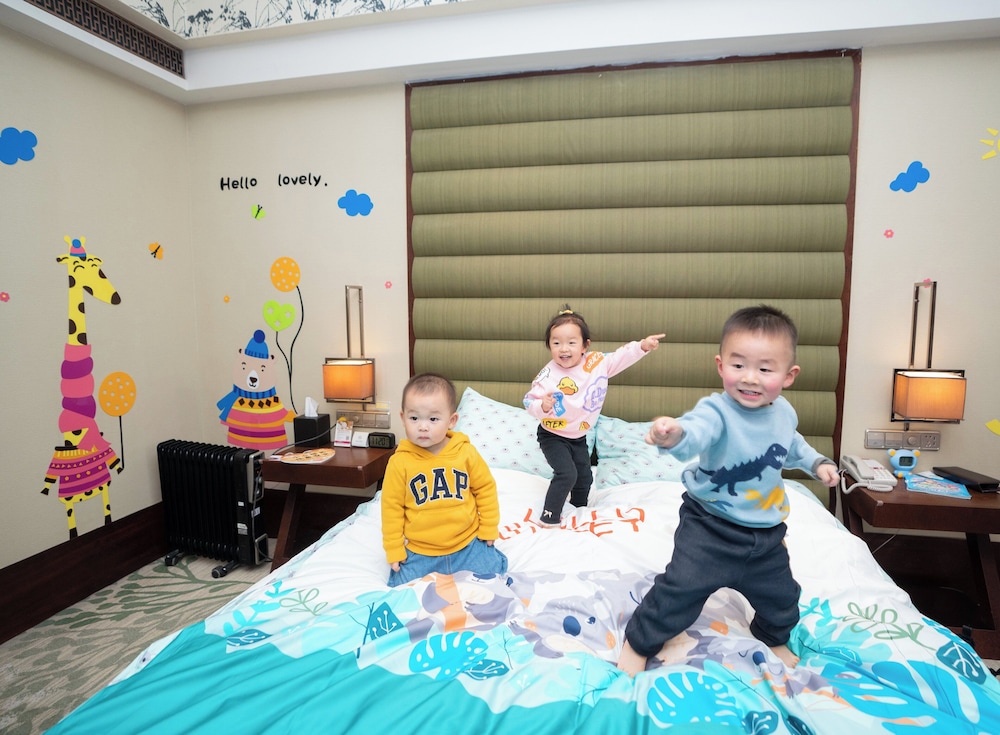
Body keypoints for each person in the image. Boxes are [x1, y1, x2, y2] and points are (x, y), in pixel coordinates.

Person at [617, 305, 840, 675]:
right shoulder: (716, 411)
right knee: (680, 590)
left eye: (765, 369)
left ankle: (770, 636)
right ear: (721, 366)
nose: (750, 378)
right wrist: (674, 435)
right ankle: (639, 642)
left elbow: (791, 444)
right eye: (739, 365)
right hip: (709, 527)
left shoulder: (784, 413)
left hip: (766, 535)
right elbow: (696, 431)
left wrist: (817, 463)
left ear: (789, 375)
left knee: (784, 599)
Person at [524, 305, 664, 525]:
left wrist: (642, 346)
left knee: (584, 477)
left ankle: (579, 510)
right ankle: (549, 515)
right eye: (556, 343)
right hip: (552, 435)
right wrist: (542, 405)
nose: (564, 349)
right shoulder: (548, 375)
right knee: (567, 474)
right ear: (549, 345)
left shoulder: (596, 363)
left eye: (572, 342)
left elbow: (621, 357)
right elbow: (528, 401)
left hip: (578, 437)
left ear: (585, 345)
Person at [382, 373, 507, 587]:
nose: (423, 426)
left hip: (467, 544)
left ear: (451, 421)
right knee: (401, 587)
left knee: (495, 573)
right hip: (421, 550)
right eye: (414, 418)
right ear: (403, 418)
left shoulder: (465, 453)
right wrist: (394, 548)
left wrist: (488, 528)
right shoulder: (399, 462)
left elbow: (485, 490)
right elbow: (391, 508)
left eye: (433, 419)